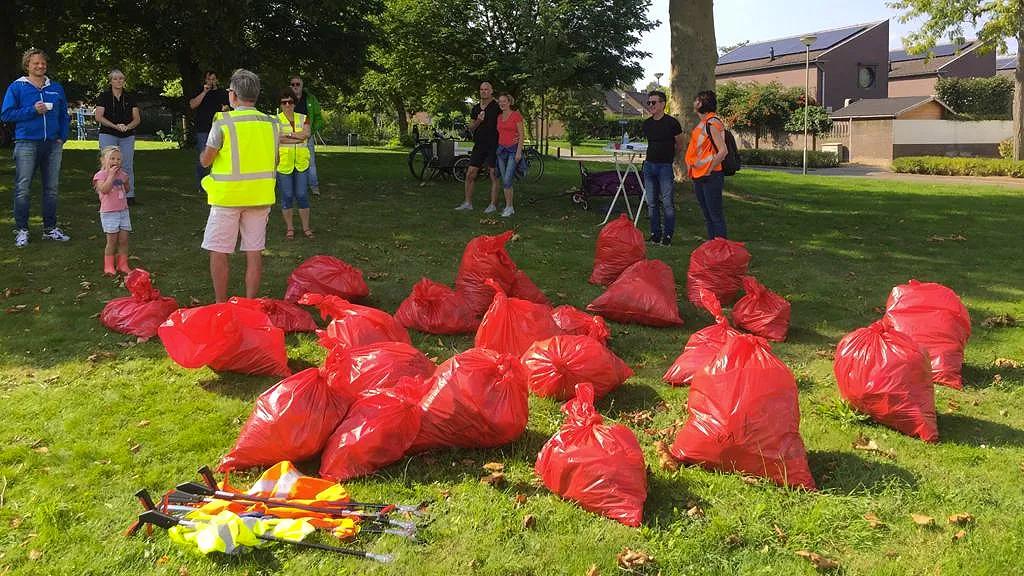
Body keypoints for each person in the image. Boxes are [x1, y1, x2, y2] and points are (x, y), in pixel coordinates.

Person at [199, 69, 279, 303]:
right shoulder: (271, 124)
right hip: (260, 197)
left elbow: (206, 160)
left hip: (227, 197)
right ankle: (251, 304)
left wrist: (204, 156)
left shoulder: (223, 121)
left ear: (232, 95)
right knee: (254, 253)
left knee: (219, 249)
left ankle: (221, 304)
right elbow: (275, 160)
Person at [1, 48, 71, 248]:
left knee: (51, 189)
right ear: (27, 65)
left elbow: (63, 115)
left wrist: (62, 137)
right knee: (23, 189)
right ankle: (22, 230)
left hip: (53, 145)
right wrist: (32, 111)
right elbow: (6, 114)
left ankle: (50, 229)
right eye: (36, 63)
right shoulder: (17, 87)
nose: (40, 66)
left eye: (43, 63)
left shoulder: (56, 87)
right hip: (26, 143)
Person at [641, 90, 685, 246]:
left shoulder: (672, 123)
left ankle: (667, 236)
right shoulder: (647, 124)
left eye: (653, 102)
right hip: (649, 165)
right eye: (649, 103)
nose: (651, 105)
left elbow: (679, 143)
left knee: (667, 202)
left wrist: (672, 157)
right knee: (651, 203)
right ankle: (654, 234)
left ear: (662, 104)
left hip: (665, 167)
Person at [685, 90, 730, 240]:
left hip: (710, 175)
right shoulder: (704, 123)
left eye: (696, 100)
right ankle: (712, 248)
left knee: (715, 216)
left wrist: (709, 169)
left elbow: (723, 151)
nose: (693, 103)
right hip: (700, 174)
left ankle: (720, 249)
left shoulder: (711, 123)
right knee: (709, 215)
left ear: (701, 103)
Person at [95, 69, 141, 205]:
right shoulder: (104, 96)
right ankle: (104, 193)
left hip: (127, 135)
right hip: (108, 133)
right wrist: (115, 126)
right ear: (110, 81)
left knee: (127, 164)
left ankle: (129, 195)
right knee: (108, 163)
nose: (118, 81)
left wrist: (128, 126)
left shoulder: (130, 97)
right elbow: (99, 117)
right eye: (115, 78)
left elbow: (137, 118)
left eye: (121, 78)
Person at [455, 81, 500, 212]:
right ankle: (468, 203)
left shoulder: (497, 107)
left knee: (493, 174)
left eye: (486, 89)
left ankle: (492, 205)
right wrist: (479, 121)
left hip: (493, 145)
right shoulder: (475, 108)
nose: (483, 91)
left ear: (491, 91)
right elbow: (471, 128)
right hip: (479, 145)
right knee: (470, 174)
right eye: (481, 89)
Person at [276, 88, 313, 239]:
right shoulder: (276, 120)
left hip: (301, 162)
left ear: (294, 103)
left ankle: (306, 227)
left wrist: (289, 135)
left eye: (290, 102)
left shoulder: (303, 117)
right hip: (284, 163)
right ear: (280, 104)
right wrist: (298, 137)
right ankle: (290, 228)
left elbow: (307, 134)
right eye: (284, 102)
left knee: (302, 194)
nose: (287, 105)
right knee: (287, 196)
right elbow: (278, 138)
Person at [93, 146, 132, 275]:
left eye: (119, 159)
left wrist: (126, 183)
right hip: (109, 213)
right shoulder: (100, 176)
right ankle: (109, 266)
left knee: (124, 240)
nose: (116, 161)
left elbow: (126, 190)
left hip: (123, 211)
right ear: (104, 161)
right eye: (112, 158)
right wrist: (110, 176)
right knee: (112, 241)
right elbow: (104, 189)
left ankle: (122, 264)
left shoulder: (122, 175)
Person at [189, 71, 230, 192]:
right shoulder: (200, 91)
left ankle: (217, 182)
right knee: (203, 156)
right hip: (203, 129)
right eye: (209, 79)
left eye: (213, 79)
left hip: (219, 128)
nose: (211, 82)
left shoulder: (223, 93)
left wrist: (226, 109)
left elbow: (228, 109)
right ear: (205, 80)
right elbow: (192, 105)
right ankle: (202, 185)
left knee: (219, 157)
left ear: (217, 80)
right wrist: (204, 92)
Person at [289, 76, 323, 196]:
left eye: (297, 84)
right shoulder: (287, 100)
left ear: (302, 85)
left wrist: (311, 131)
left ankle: (314, 186)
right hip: (291, 135)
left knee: (310, 161)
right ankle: (292, 186)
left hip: (306, 135)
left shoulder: (310, 99)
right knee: (290, 159)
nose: (295, 87)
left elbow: (319, 117)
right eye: (292, 84)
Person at [494, 93, 524, 218]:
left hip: (513, 151)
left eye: (504, 101)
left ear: (509, 102)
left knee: (507, 180)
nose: (502, 103)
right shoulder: (499, 117)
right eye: (500, 101)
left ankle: (509, 207)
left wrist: (518, 151)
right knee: (505, 180)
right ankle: (509, 206)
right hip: (501, 151)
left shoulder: (516, 115)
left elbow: (521, 135)